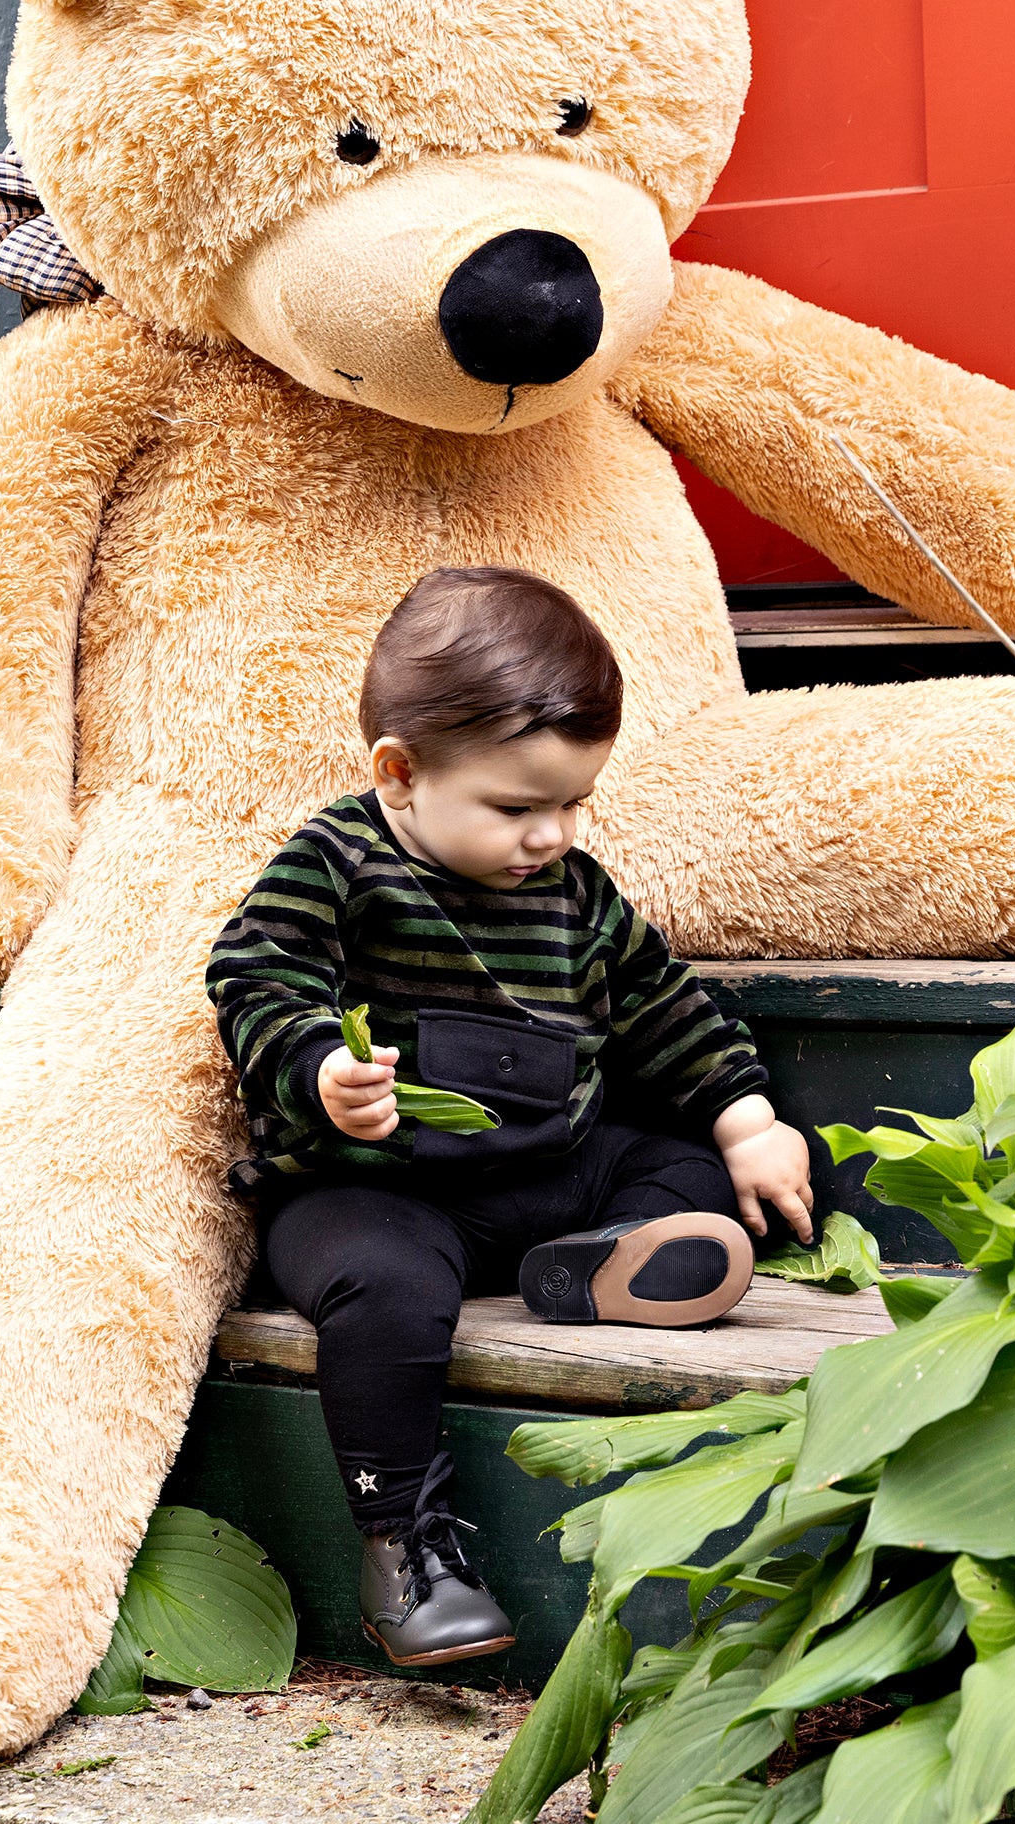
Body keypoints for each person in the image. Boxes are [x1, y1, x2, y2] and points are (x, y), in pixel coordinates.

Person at [207, 566, 815, 1667]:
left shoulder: (576, 895)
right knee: (383, 1290)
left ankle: (585, 1265)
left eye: (572, 801)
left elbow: (659, 1003)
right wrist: (317, 1072)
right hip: (374, 1188)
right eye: (515, 806)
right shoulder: (341, 861)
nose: (551, 832)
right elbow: (256, 971)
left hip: (544, 1172)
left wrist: (744, 1117)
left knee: (679, 1169)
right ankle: (405, 1545)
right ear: (399, 773)